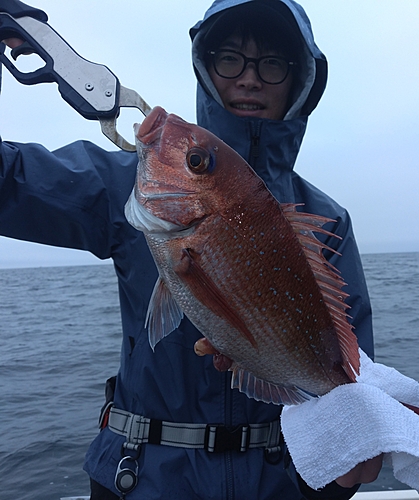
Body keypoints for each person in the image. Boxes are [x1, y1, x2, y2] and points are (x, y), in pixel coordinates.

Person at [0, 0, 382, 498]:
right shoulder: (124, 187)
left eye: (271, 64)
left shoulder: (327, 218)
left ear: (300, 81)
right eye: (230, 59)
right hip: (142, 481)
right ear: (205, 68)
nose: (249, 80)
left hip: (281, 485)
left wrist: (342, 465)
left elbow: (356, 367)